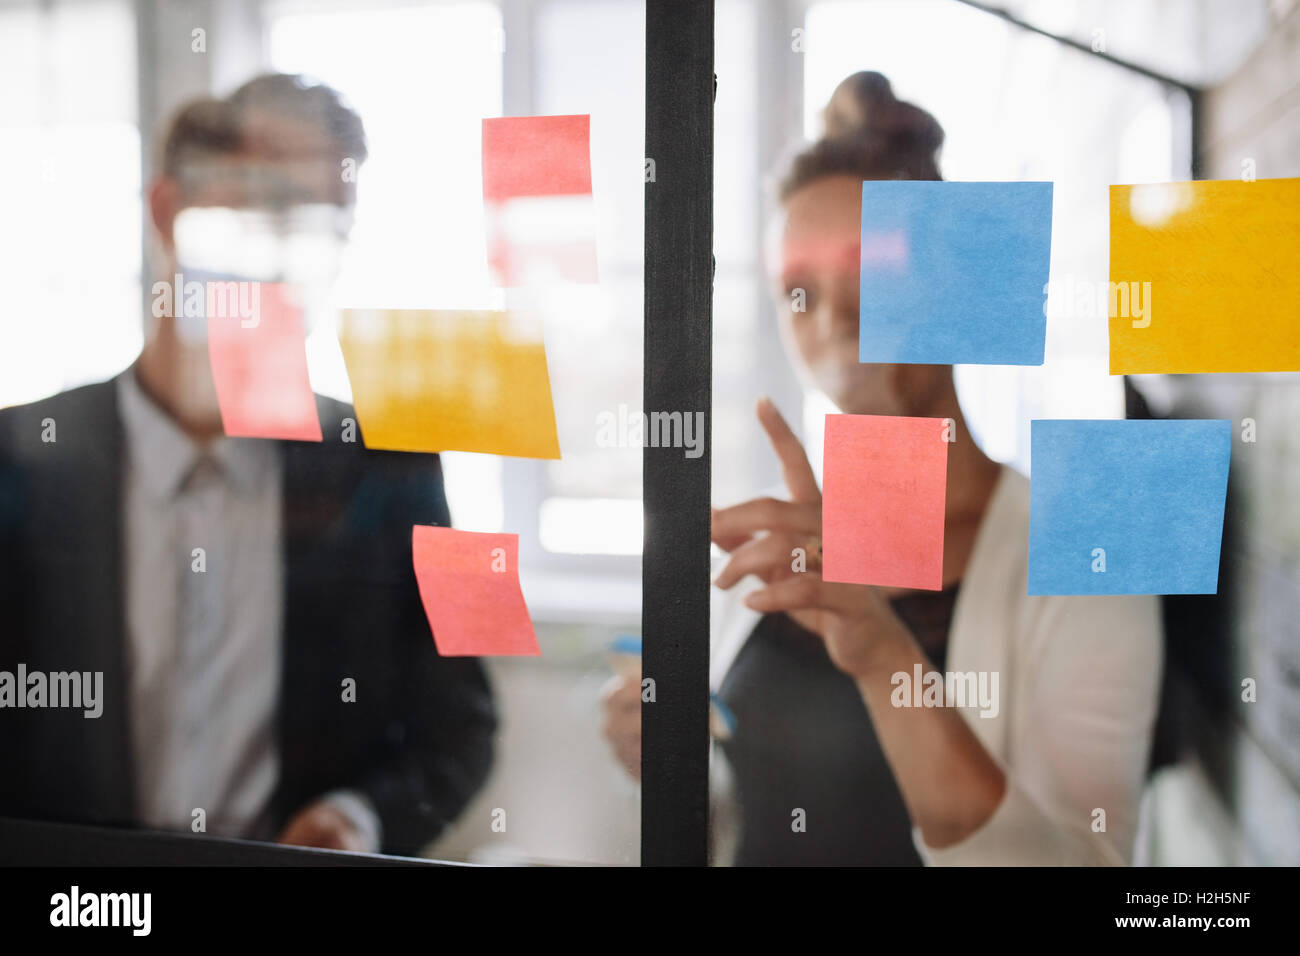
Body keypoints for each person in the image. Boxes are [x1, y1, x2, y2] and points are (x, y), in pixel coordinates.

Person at [602, 71, 1162, 865]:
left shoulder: (1089, 551)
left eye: (874, 272)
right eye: (800, 292)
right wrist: (662, 768)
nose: (836, 318)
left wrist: (884, 654)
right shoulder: (769, 546)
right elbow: (748, 811)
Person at [0, 74, 496, 857]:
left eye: (326, 228)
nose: (293, 264)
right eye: (263, 213)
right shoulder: (17, 458)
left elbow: (465, 724)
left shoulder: (398, 463)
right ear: (169, 214)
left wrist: (360, 818)